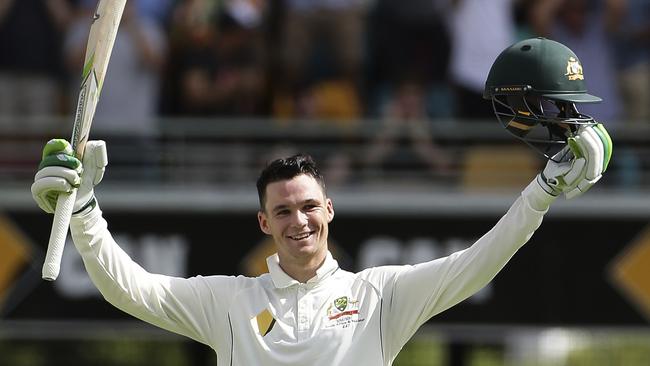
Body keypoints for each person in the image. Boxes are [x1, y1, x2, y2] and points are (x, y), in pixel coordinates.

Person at [30, 38, 612, 365]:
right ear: (264, 222)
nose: (298, 221)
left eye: (308, 207)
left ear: (329, 210)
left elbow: (480, 259)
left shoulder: (380, 296)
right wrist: (83, 210)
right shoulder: (229, 302)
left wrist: (541, 193)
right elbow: (127, 287)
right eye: (283, 211)